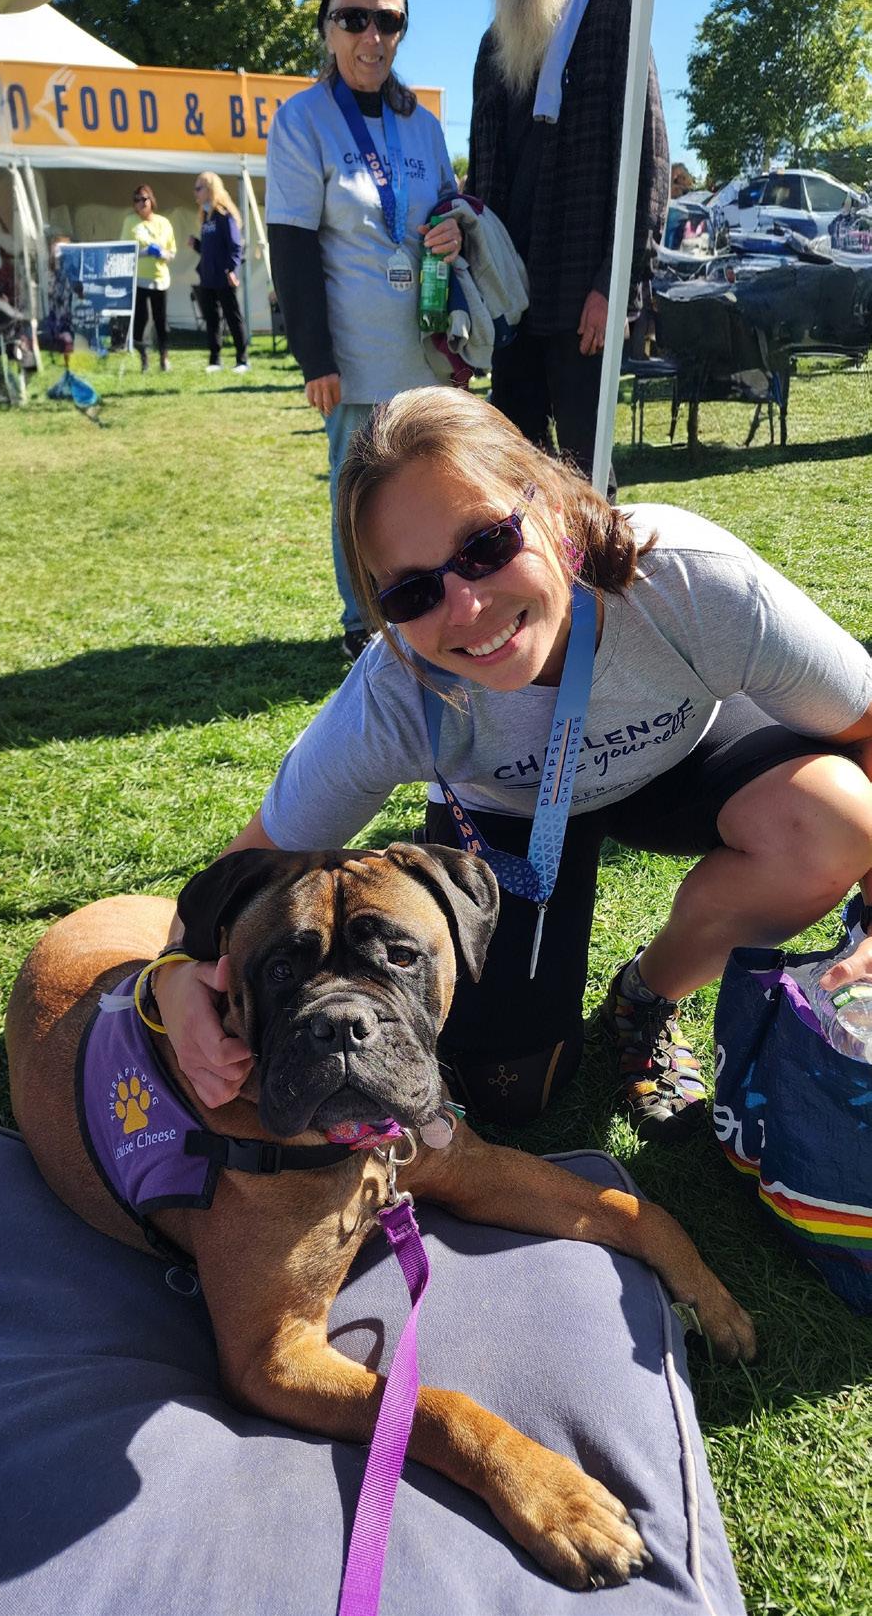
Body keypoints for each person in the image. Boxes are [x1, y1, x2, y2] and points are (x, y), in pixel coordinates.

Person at [151, 387, 872, 1138]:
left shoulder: (689, 579)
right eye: (413, 593)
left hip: (688, 758)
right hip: (512, 810)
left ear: (552, 502)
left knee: (833, 820)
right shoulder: (393, 695)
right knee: (508, 1093)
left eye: (487, 545)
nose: (466, 608)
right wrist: (171, 978)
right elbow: (243, 871)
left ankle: (645, 998)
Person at [265, 0, 462, 663]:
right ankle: (365, 624)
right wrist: (314, 358)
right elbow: (290, 246)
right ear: (327, 27)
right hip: (353, 359)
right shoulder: (302, 120)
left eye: (388, 20)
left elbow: (449, 210)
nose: (371, 37)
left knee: (429, 487)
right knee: (360, 497)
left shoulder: (424, 125)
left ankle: (421, 608)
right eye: (353, 19)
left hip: (426, 354)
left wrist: (452, 230)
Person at [466, 0, 670, 490]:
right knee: (513, 474)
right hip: (510, 298)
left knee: (588, 476)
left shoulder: (613, 13)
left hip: (581, 299)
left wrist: (612, 285)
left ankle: (596, 550)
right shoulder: (491, 46)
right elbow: (481, 181)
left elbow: (648, 164)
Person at [188, 172, 249, 374]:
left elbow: (235, 246)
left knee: (232, 317)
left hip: (224, 276)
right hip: (208, 276)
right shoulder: (206, 217)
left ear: (210, 190)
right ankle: (215, 360)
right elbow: (210, 250)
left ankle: (242, 360)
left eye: (199, 188)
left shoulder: (224, 216)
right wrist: (197, 245)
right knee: (212, 319)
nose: (195, 193)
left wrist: (232, 270)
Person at [121, 184, 176, 372]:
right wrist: (145, 252)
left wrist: (162, 254)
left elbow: (172, 253)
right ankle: (143, 358)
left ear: (151, 200)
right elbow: (125, 250)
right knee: (140, 320)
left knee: (161, 321)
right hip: (139, 279)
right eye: (136, 200)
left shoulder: (164, 222)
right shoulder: (130, 221)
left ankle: (164, 357)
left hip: (160, 279)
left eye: (144, 199)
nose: (141, 203)